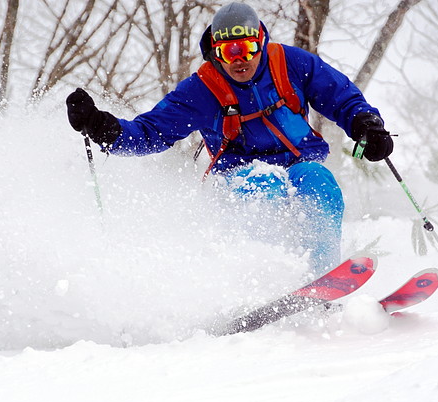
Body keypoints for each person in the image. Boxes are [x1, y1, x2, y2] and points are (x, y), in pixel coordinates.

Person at [66, 2, 393, 272]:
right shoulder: (202, 90)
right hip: (239, 173)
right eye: (228, 50)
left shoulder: (290, 63)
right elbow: (151, 132)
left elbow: (340, 96)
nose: (240, 59)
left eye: (247, 48)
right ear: (216, 52)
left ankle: (322, 276)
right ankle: (263, 280)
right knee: (263, 185)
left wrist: (366, 124)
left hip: (299, 161)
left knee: (319, 180)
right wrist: (100, 126)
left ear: (260, 43)